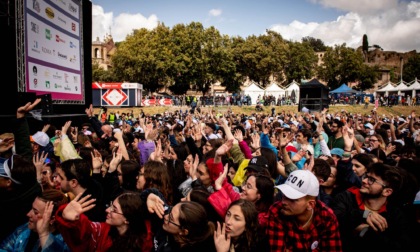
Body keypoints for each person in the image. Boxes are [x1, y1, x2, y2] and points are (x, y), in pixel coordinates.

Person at [331, 162, 415, 251]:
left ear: (387, 192)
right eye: (366, 176)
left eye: (371, 180)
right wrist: (364, 214)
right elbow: (334, 218)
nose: (364, 181)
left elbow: (401, 245)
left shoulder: (395, 214)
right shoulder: (346, 197)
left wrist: (365, 232)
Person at [267, 169, 342, 251]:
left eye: (292, 199)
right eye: (284, 195)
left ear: (310, 204)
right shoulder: (276, 211)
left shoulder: (326, 217)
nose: (284, 202)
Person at [55, 192, 153, 251]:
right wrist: (69, 217)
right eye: (110, 205)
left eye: (114, 209)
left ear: (127, 219)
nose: (107, 210)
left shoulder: (143, 244)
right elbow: (85, 229)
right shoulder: (103, 231)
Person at [0, 189, 69, 251]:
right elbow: (4, 248)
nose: (28, 214)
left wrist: (43, 234)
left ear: (52, 219)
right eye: (32, 209)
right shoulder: (24, 229)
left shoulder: (66, 243)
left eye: (36, 212)